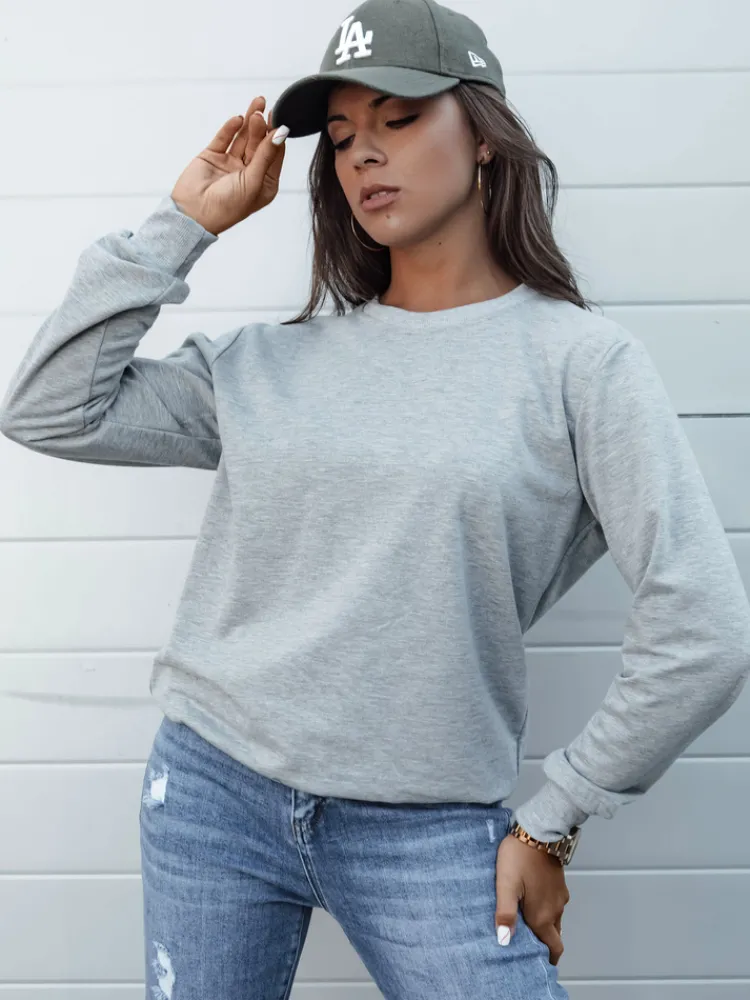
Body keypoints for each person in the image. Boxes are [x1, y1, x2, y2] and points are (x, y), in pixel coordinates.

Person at [2, 0, 749, 996]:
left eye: (399, 118)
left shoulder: (580, 366)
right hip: (213, 792)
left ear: (484, 138)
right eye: (344, 134)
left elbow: (704, 628)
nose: (363, 154)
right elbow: (47, 407)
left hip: (428, 827)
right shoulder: (270, 363)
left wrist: (554, 817)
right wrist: (186, 224)